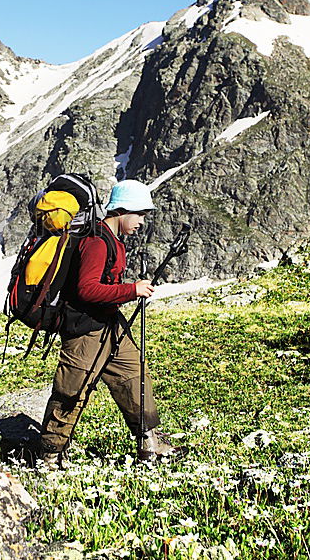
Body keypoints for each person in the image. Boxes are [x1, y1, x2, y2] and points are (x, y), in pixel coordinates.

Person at [38, 179, 187, 466]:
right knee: (73, 389)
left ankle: (150, 442)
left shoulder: (114, 240)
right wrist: (132, 290)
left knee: (134, 374)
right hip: (84, 329)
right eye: (140, 214)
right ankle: (49, 454)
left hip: (109, 322)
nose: (142, 222)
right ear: (122, 209)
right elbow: (86, 289)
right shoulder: (96, 241)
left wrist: (127, 292)